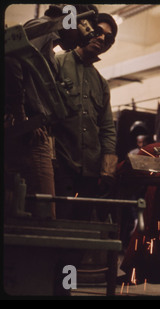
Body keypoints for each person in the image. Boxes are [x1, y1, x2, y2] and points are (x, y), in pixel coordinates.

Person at [4, 5, 98, 219]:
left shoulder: (44, 38)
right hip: (28, 133)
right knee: (45, 213)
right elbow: (11, 58)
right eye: (82, 33)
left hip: (28, 130)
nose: (76, 44)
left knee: (20, 208)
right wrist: (22, 116)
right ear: (73, 21)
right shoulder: (43, 29)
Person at [53, 13, 118, 220]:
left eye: (107, 37)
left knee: (81, 234)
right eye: (98, 32)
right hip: (59, 167)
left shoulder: (101, 83)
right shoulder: (57, 64)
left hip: (89, 174)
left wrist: (107, 170)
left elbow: (107, 128)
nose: (101, 38)